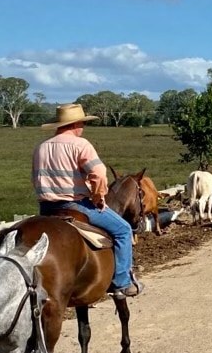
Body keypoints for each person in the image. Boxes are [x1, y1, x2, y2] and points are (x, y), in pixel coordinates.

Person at [33, 103, 143, 298]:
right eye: (82, 123)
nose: (83, 127)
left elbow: (36, 178)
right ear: (75, 124)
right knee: (123, 230)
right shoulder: (80, 145)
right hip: (76, 205)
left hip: (46, 208)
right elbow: (99, 174)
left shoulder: (41, 147)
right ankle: (122, 283)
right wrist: (99, 197)